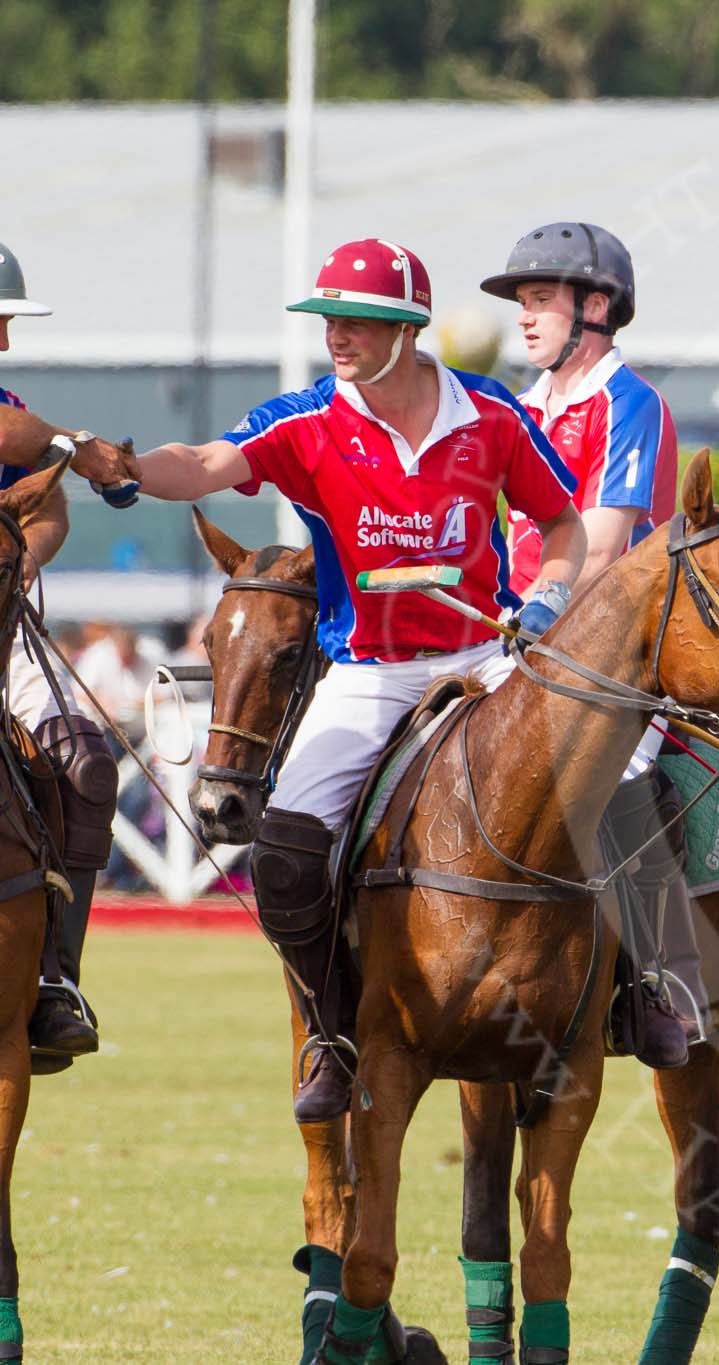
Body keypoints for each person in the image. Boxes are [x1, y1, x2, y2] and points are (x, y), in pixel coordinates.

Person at [92, 238, 589, 1121]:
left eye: (356, 320)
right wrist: (129, 466)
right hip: (370, 670)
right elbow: (206, 464)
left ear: (407, 328)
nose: (337, 337)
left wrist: (549, 598)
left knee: (611, 785)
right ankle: (332, 1025)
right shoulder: (308, 420)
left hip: (486, 656)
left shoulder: (491, 415)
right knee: (283, 852)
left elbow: (562, 526)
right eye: (329, 321)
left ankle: (644, 988)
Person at [478, 221, 701, 1064]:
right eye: (523, 303)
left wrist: (540, 613)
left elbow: (603, 545)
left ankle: (657, 987)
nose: (525, 319)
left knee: (624, 784)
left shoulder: (630, 404)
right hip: (511, 641)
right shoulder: (517, 409)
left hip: (616, 652)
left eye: (540, 300)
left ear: (595, 308)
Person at [0, 240, 133, 1067]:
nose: (6, 343)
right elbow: (19, 436)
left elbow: (53, 515)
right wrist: (71, 442)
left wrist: (20, 554)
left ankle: (52, 979)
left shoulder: (10, 400)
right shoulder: (17, 418)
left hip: (1, 632)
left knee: (85, 762)